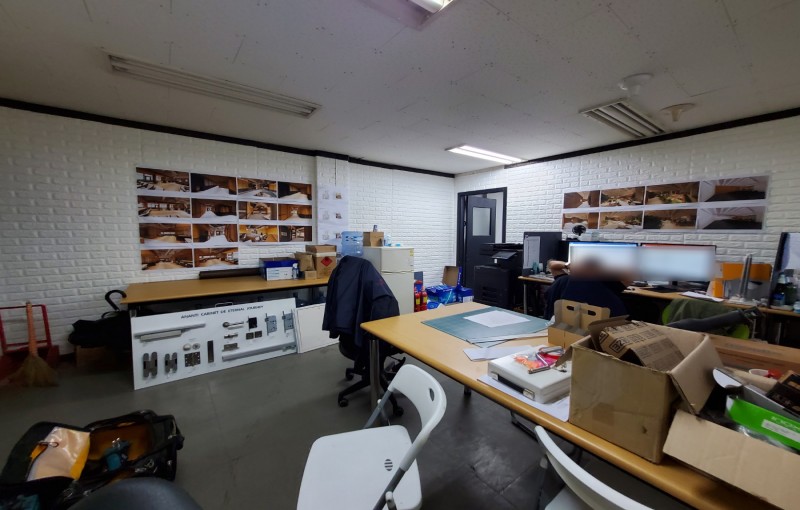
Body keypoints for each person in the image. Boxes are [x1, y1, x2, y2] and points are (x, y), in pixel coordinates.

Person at [544, 259, 630, 319]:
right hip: (596, 328)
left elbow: (553, 265)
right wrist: (568, 265)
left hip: (559, 324)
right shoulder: (606, 286)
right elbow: (552, 265)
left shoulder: (563, 280)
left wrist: (567, 265)